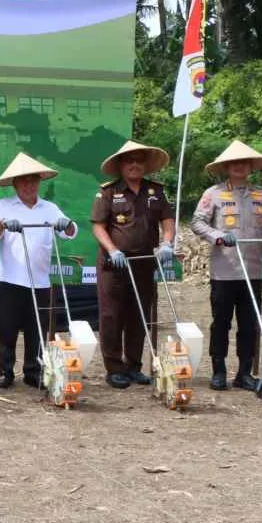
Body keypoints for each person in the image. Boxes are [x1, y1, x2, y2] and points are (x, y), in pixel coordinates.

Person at [191, 140, 262, 392]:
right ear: (226, 167)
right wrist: (218, 236)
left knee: (249, 323)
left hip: (253, 270)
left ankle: (244, 372)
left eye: (244, 162)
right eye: (234, 163)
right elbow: (198, 223)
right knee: (221, 322)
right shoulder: (212, 194)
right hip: (224, 270)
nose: (239, 166)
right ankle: (218, 370)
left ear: (250, 166)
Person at [89, 140, 176, 388]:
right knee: (111, 315)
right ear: (121, 165)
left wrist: (167, 243)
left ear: (145, 164)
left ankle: (134, 366)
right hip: (114, 264)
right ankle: (114, 368)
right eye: (129, 160)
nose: (134, 164)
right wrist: (113, 250)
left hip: (145, 263)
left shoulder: (156, 191)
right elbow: (98, 226)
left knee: (140, 314)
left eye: (139, 160)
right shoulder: (108, 191)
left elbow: (167, 219)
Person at [0, 153, 76, 389]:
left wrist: (67, 224)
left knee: (37, 328)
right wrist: (2, 225)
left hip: (40, 280)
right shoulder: (3, 206)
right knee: (7, 328)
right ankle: (5, 372)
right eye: (23, 181)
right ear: (15, 184)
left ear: (39, 182)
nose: (28, 185)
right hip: (11, 279)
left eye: (33, 181)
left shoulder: (50, 208)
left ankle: (33, 371)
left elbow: (69, 232)